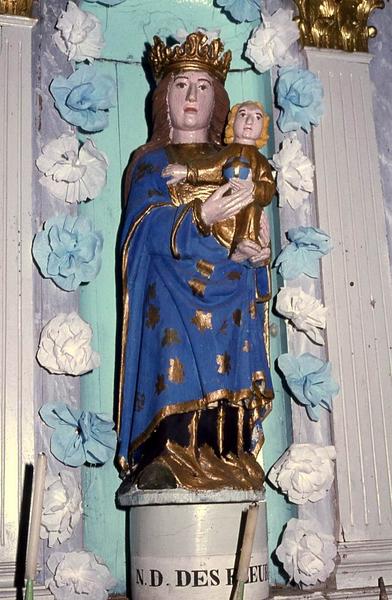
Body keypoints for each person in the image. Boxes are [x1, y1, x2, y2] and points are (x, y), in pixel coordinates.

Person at [117, 32, 274, 490]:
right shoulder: (150, 161)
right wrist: (202, 215)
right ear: (164, 99)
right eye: (182, 85)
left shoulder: (236, 159)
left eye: (203, 87)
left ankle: (228, 451)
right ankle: (169, 452)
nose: (191, 96)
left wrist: (259, 255)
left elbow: (252, 213)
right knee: (174, 353)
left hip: (229, 289)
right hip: (169, 293)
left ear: (218, 102)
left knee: (229, 363)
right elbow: (140, 233)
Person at [162, 100, 275, 256]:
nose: (249, 121)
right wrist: (186, 172)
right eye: (243, 115)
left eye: (257, 117)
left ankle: (245, 246)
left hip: (248, 204)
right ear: (232, 122)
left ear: (263, 128)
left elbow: (268, 188)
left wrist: (254, 188)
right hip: (225, 211)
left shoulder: (261, 161)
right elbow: (213, 167)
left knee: (253, 209)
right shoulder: (229, 152)